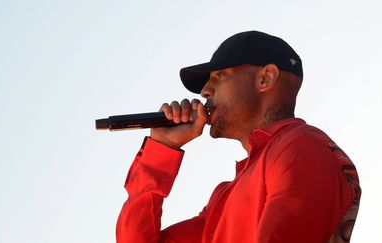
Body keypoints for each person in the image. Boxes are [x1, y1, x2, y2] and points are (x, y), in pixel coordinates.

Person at [115, 31, 361, 243]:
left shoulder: (301, 147)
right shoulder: (226, 197)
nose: (205, 91)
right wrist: (162, 148)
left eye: (219, 76)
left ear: (265, 78)